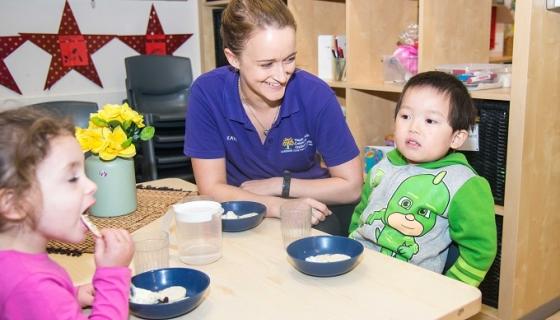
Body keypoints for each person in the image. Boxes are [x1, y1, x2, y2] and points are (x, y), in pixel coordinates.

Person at [184, 0, 362, 235]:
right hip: (242, 208)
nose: (281, 75)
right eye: (266, 64)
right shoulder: (207, 93)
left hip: (312, 205)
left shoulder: (315, 94)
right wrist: (279, 206)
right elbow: (210, 188)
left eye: (289, 59)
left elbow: (352, 188)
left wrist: (279, 185)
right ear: (233, 58)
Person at [348, 71, 497, 287]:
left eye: (429, 120)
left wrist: (450, 291)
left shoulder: (464, 184)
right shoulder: (384, 165)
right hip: (360, 269)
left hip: (411, 287)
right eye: (405, 116)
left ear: (456, 137)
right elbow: (361, 214)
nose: (413, 128)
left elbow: (480, 249)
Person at [0, 107, 135, 319]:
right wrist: (112, 276)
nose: (92, 185)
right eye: (72, 178)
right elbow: (35, 298)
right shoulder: (33, 286)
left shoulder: (16, 268)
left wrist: (70, 295)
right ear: (15, 204)